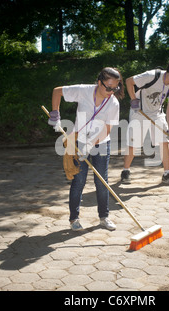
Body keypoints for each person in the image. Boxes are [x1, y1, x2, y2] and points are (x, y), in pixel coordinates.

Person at [48, 67, 123, 231]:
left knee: (101, 181)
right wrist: (56, 114)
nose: (111, 91)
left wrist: (90, 144)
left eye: (115, 88)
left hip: (102, 143)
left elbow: (107, 129)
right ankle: (74, 219)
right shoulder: (84, 91)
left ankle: (104, 217)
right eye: (108, 87)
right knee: (79, 180)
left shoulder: (113, 103)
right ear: (99, 82)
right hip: (78, 140)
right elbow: (57, 91)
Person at [121, 58, 169, 186]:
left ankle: (167, 174)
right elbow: (129, 81)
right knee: (134, 144)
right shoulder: (152, 76)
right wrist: (134, 100)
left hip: (157, 113)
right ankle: (125, 171)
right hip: (139, 111)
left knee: (164, 141)